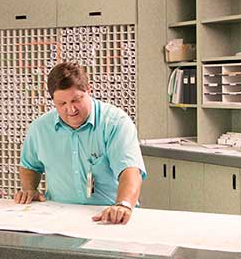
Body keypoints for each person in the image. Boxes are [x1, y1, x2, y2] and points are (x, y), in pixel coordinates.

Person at [14, 62, 147, 225]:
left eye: (76, 100)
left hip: (108, 217)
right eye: (62, 104)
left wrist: (123, 205)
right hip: (58, 217)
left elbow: (130, 170)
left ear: (88, 90)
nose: (71, 109)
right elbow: (29, 166)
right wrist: (30, 189)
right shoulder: (39, 128)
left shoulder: (115, 123)